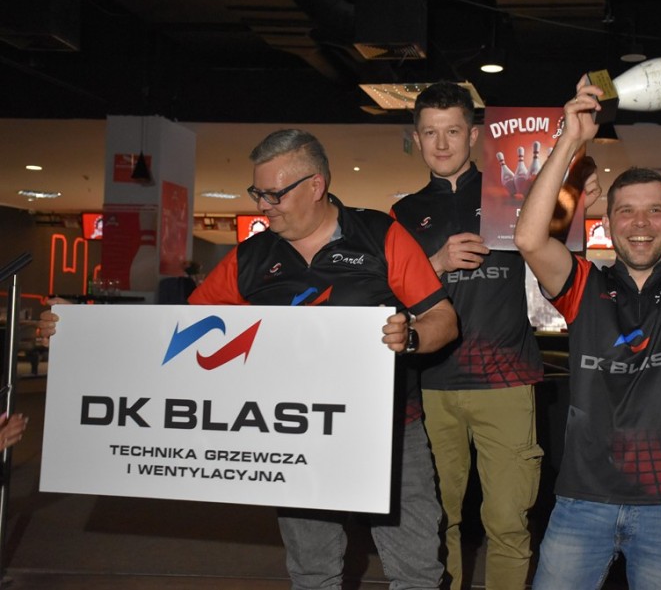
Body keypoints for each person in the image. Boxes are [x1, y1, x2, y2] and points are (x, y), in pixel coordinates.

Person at [40, 129, 458, 590]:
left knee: (416, 572)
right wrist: (82, 334)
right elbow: (175, 335)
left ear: (316, 185)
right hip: (295, 433)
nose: (263, 206)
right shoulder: (251, 256)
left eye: (274, 194)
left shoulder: (379, 234)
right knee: (313, 574)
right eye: (257, 193)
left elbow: (442, 319)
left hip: (390, 429)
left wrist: (411, 337)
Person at [514, 54, 661, 589]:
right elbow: (530, 239)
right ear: (607, 223)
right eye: (626, 210)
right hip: (583, 500)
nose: (640, 223)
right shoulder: (585, 286)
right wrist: (570, 139)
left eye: (654, 210)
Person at [390, 81, 598, 590]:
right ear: (416, 139)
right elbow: (389, 301)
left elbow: (562, 271)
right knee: (438, 521)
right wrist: (436, 264)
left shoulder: (516, 195)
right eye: (430, 133)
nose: (442, 143)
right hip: (430, 385)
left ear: (474, 135)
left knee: (508, 520)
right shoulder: (401, 216)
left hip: (506, 379)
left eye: (453, 131)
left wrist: (575, 208)